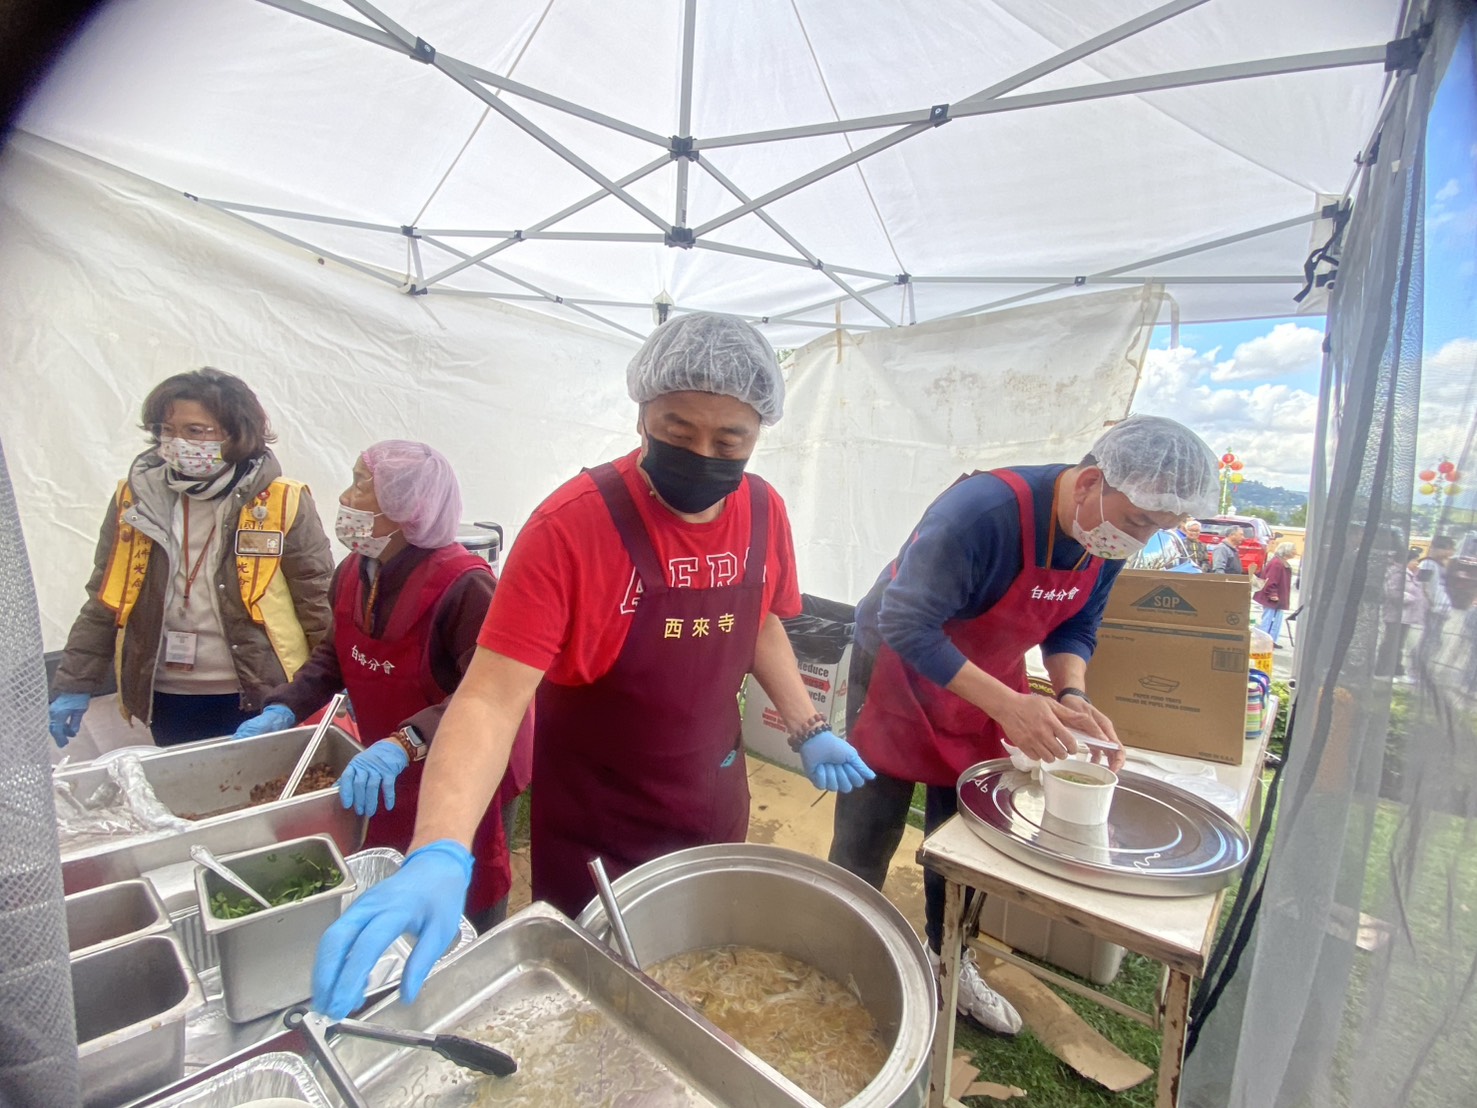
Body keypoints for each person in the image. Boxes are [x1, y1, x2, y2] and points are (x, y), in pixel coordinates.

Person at [311, 312, 874, 1019]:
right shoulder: (572, 526)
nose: (703, 453)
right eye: (676, 430)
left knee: (701, 986)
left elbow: (759, 617)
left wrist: (805, 724)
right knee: (598, 1005)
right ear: (641, 415)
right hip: (597, 827)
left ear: (759, 432)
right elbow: (488, 698)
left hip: (711, 801)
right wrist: (439, 847)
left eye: (729, 439)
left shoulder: (763, 510)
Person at [828, 414, 1219, 1035]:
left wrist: (1070, 693)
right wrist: (1009, 705)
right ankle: (838, 954)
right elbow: (906, 622)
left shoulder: (1104, 535)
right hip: (896, 676)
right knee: (868, 828)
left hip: (990, 685)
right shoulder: (984, 512)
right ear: (1091, 481)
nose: (1139, 540)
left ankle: (947, 959)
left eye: (1158, 529)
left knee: (964, 838)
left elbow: (1076, 623)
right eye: (1141, 522)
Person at [232, 441, 532, 931]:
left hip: (461, 764)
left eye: (360, 484)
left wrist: (404, 742)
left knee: (463, 871)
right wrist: (284, 708)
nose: (346, 497)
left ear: (405, 506)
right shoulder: (354, 570)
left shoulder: (465, 586)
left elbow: (486, 693)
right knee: (391, 868)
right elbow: (335, 654)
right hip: (388, 763)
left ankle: (475, 945)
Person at [49, 369, 333, 748]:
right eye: (168, 430)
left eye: (196, 431)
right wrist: (74, 683)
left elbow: (316, 600)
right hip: (166, 691)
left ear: (236, 434)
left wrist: (331, 686)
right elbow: (105, 594)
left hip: (260, 690)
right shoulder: (133, 499)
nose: (178, 442)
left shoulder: (282, 500)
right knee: (189, 797)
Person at [1412, 535, 1455, 677]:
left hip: (1441, 607)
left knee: (1434, 639)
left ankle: (1422, 667)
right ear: (1437, 548)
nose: (1451, 552)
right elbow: (1422, 584)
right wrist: (1429, 601)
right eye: (1448, 549)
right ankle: (1417, 668)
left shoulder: (1440, 565)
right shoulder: (1428, 564)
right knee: (1430, 639)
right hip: (1434, 607)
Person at [1254, 542, 1295, 645]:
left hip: (1278, 598)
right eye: (1293, 550)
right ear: (1287, 551)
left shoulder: (1280, 562)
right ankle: (1264, 641)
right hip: (1272, 599)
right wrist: (1273, 594)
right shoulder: (1277, 563)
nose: (1295, 552)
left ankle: (1271, 640)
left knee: (1275, 620)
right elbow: (1271, 580)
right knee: (1269, 620)